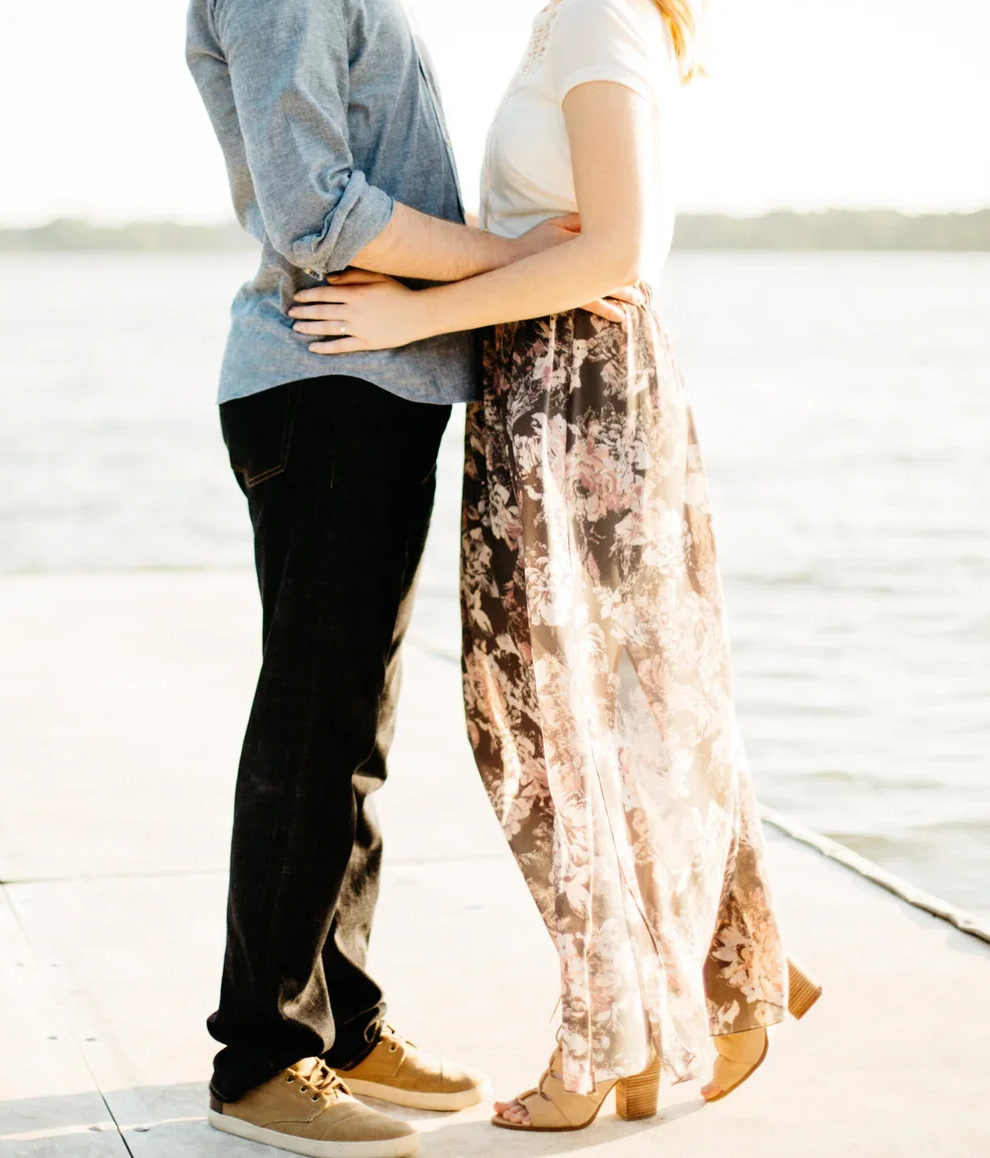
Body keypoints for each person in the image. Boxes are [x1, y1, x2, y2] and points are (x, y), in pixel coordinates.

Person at [289, 0, 821, 1133]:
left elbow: (619, 248)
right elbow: (555, 234)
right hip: (541, 389)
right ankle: (673, 1008)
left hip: (579, 397)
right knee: (564, 724)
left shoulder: (596, 13)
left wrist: (405, 322)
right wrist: (438, 305)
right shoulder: (571, 17)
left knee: (562, 729)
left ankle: (634, 1027)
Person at [184, 2, 634, 1155]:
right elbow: (314, 208)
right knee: (313, 723)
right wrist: (520, 260)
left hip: (377, 388)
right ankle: (265, 1055)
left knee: (353, 731)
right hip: (324, 377)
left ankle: (342, 1024)